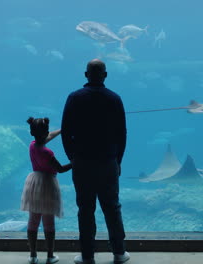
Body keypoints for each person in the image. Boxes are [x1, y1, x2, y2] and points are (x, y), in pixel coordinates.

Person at [61, 59, 130, 264]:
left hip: (82, 162)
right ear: (105, 75)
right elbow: (122, 133)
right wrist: (118, 160)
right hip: (108, 161)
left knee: (85, 208)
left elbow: (66, 132)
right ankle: (119, 252)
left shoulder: (74, 98)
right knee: (112, 207)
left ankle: (88, 255)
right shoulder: (114, 98)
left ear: (85, 74)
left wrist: (72, 157)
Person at [21, 117, 72, 264]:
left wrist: (61, 131)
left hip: (34, 184)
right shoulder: (47, 152)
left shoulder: (32, 145)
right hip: (48, 185)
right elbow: (60, 169)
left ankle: (33, 255)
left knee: (33, 221)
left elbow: (45, 137)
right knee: (48, 223)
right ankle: (50, 256)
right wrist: (75, 161)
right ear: (45, 132)